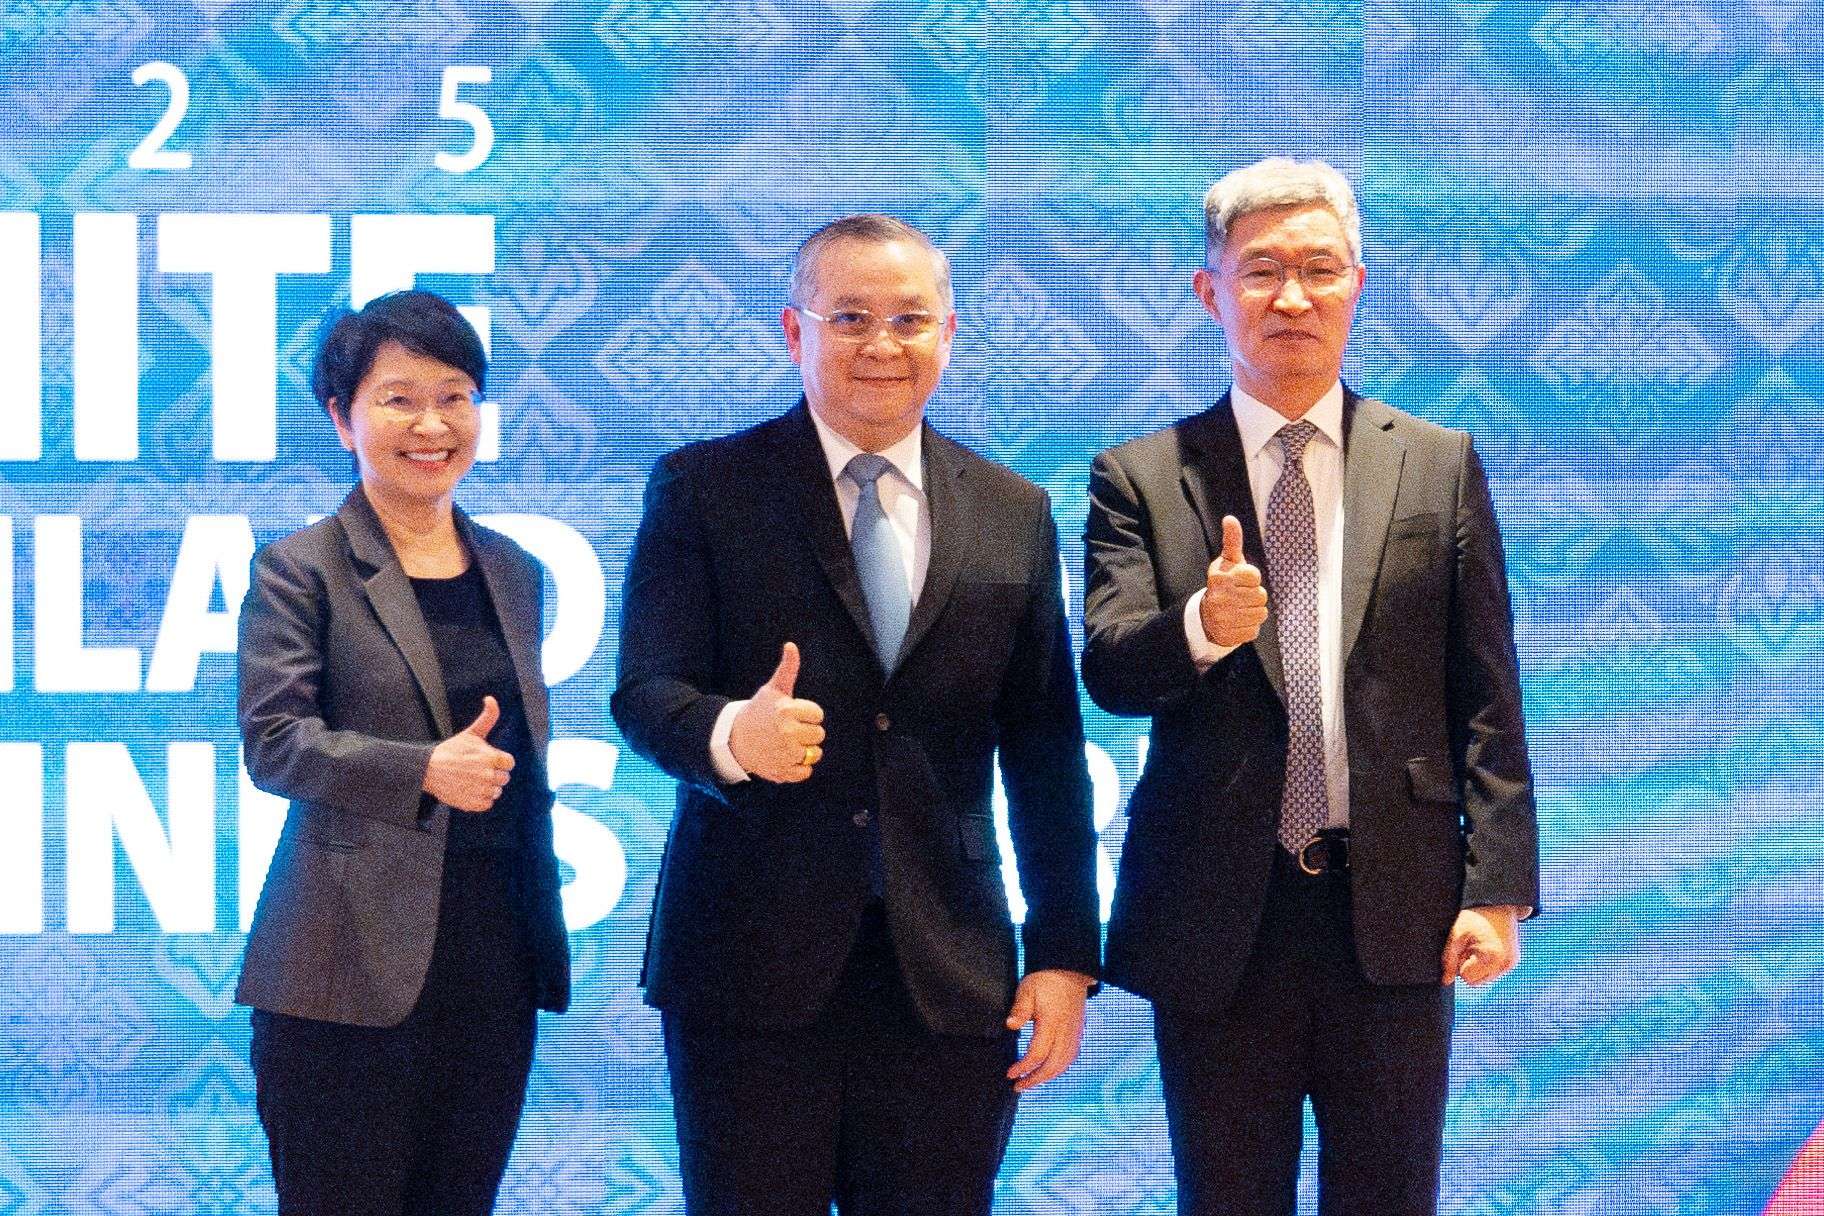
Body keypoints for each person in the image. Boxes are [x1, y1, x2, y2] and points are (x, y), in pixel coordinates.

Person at [611, 214, 1100, 1216]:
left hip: (949, 970)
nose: (883, 344)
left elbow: (1045, 750)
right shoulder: (706, 488)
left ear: (948, 334)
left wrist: (1063, 952)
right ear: (795, 330)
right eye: (850, 318)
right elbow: (646, 690)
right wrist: (731, 736)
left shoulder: (1011, 509)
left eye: (910, 320)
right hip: (747, 964)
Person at [1082, 157, 1540, 1215]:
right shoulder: (1140, 475)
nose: (1293, 296)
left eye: (1320, 269)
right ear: (1211, 292)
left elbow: (1487, 693)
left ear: (1357, 286)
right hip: (1217, 915)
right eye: (1262, 271)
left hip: (1398, 906)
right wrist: (1201, 627)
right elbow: (1109, 669)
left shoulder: (1436, 464)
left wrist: (1498, 885)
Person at [235, 290, 570, 1215]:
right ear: (342, 418)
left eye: (456, 397)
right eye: (399, 400)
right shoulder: (300, 568)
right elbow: (275, 742)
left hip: (491, 959)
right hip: (342, 969)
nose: (432, 425)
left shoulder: (512, 569)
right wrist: (421, 770)